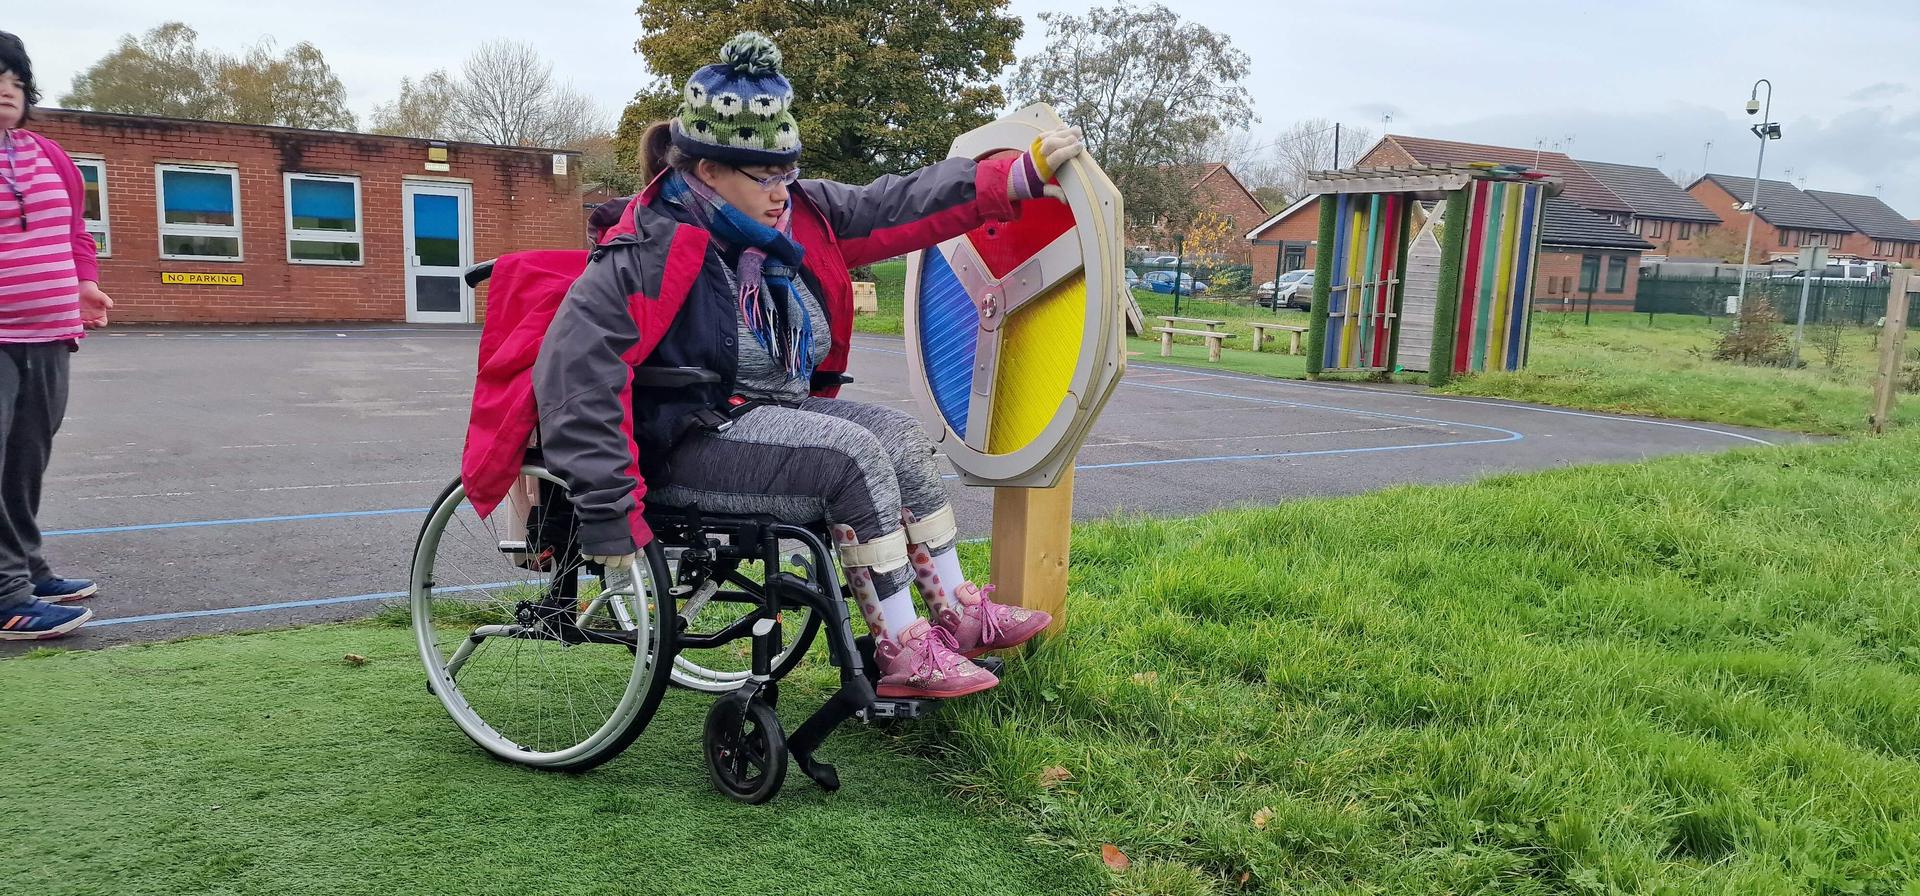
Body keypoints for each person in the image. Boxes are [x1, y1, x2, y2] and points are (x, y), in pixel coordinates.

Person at [533, 32, 1082, 698]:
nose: (779, 192)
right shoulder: (644, 249)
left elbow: (900, 200)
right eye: (762, 178)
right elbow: (573, 378)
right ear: (706, 171)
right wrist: (609, 513)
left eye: (786, 173)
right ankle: (904, 650)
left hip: (769, 418)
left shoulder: (802, 215)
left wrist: (1012, 176)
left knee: (900, 438)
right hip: (685, 438)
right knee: (851, 455)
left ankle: (958, 613)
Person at [0, 31, 111, 640]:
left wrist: (84, 283)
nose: (6, 90)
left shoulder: (49, 156)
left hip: (47, 334)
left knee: (24, 461)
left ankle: (25, 568)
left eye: (15, 79)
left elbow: (74, 235)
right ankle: (5, 594)